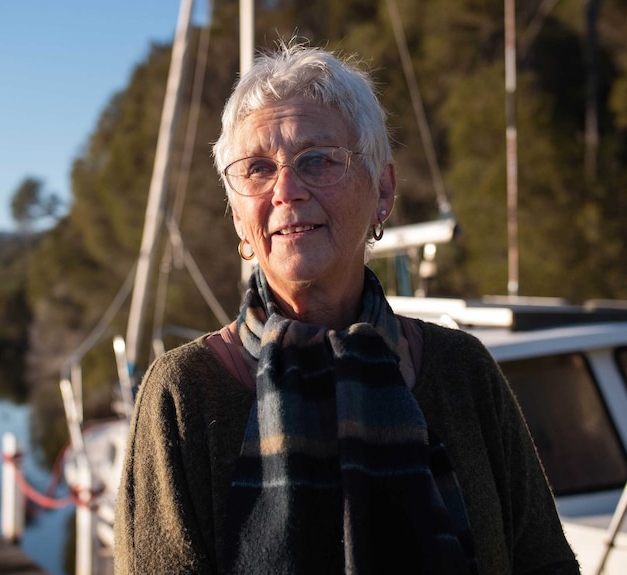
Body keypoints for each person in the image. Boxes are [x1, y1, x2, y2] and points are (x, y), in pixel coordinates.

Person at [114, 40, 578, 574]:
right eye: (258, 169)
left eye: (317, 160)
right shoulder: (183, 393)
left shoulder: (463, 371)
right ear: (240, 218)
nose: (286, 190)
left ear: (383, 189)